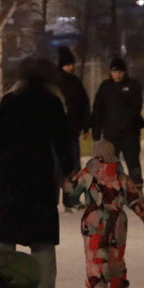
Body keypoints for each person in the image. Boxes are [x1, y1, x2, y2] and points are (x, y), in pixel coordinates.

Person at [0, 58, 76, 288]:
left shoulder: (10, 101)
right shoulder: (52, 102)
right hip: (40, 177)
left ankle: (0, 287)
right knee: (42, 238)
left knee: (5, 236)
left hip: (9, 176)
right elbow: (63, 141)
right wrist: (66, 172)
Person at [63, 139, 144, 288]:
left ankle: (97, 284)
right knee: (116, 257)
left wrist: (64, 181)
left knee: (94, 253)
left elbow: (72, 191)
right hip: (117, 222)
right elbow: (135, 199)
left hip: (93, 221)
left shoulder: (87, 173)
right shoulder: (122, 176)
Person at [91, 56, 144, 187]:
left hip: (130, 133)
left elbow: (137, 106)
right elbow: (97, 109)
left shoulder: (133, 85)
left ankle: (136, 189)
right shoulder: (105, 87)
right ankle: (111, 190)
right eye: (114, 72)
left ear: (125, 72)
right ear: (111, 72)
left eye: (120, 72)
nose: (117, 75)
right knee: (109, 164)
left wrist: (128, 121)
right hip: (111, 134)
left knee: (133, 163)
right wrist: (96, 129)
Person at [55, 46, 91, 211]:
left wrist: (86, 124)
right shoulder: (55, 83)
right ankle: (62, 199)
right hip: (58, 132)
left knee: (75, 166)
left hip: (73, 131)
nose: (70, 68)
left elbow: (84, 104)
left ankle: (72, 198)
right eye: (67, 65)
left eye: (71, 65)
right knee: (61, 167)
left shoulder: (76, 82)